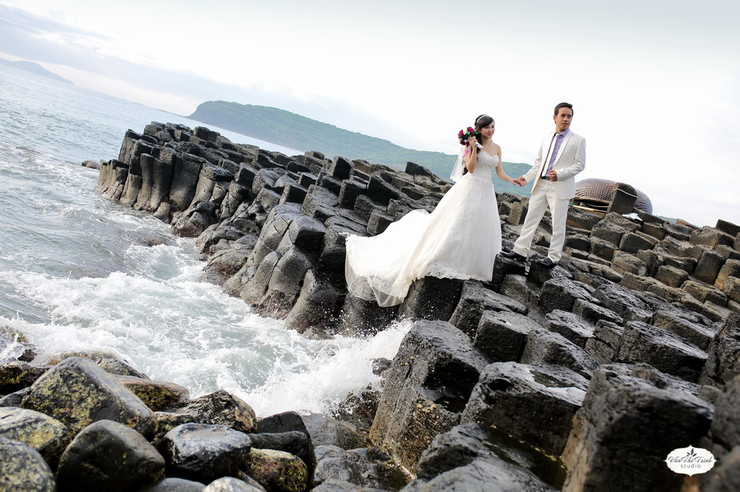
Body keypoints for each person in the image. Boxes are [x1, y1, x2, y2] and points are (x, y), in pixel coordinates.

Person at [345, 114, 520, 307]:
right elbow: (471, 169)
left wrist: (511, 180)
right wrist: (472, 148)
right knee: (459, 222)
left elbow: (499, 171)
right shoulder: (471, 146)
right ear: (479, 129)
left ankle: (475, 265)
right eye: (487, 127)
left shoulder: (497, 148)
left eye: (493, 127)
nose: (491, 130)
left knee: (481, 225)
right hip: (470, 187)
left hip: (486, 190)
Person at [501, 102, 586, 268]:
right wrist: (526, 178)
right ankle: (520, 251)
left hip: (560, 186)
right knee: (530, 218)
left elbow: (580, 164)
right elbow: (539, 162)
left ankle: (553, 257)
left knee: (558, 224)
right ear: (554, 117)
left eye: (569, 116)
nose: (566, 119)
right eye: (563, 115)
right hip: (541, 184)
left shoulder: (578, 140)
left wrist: (560, 174)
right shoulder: (546, 137)